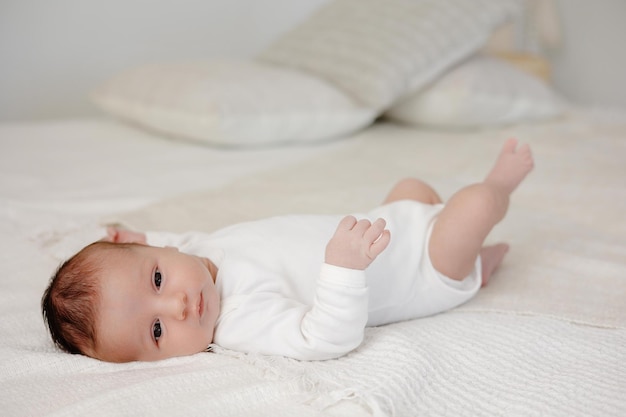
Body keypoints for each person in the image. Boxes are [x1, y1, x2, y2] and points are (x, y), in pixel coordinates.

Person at [42, 138, 533, 363]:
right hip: (423, 267)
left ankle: (481, 264)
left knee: (412, 187)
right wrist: (341, 270)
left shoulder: (192, 254)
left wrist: (134, 237)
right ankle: (497, 192)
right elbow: (321, 340)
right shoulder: (238, 321)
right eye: (156, 331)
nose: (179, 305)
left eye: (155, 280)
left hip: (389, 225)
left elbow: (162, 245)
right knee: (471, 206)